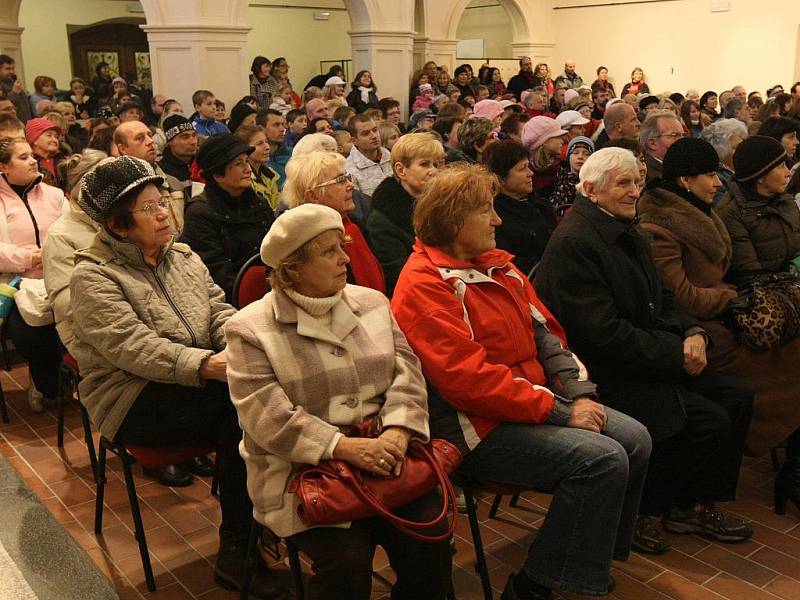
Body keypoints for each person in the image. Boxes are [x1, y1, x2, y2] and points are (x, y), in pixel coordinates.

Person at [390, 162, 650, 599]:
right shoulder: (425, 283)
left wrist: (578, 393)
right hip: (473, 426)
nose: (497, 220)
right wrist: (562, 411)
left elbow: (546, 335)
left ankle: (585, 556)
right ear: (455, 222)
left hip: (525, 403)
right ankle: (534, 586)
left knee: (636, 438)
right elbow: (467, 382)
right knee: (602, 459)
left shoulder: (498, 267)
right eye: (486, 212)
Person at [69, 156, 287, 598]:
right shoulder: (93, 275)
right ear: (117, 225)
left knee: (270, 391)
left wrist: (236, 345)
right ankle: (238, 551)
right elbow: (131, 347)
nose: (164, 212)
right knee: (242, 412)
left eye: (162, 202)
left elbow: (217, 307)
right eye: (148, 209)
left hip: (194, 375)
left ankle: (269, 519)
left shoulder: (180, 255)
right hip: (129, 395)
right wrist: (205, 365)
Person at [224, 203, 450, 600]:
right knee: (346, 561)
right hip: (302, 473)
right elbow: (268, 418)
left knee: (430, 533)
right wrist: (342, 447)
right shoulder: (250, 330)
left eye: (341, 246)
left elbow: (408, 373)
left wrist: (398, 430)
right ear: (292, 267)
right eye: (329, 251)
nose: (346, 258)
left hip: (386, 458)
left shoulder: (373, 303)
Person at [536, 147, 753, 555]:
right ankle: (641, 510)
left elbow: (665, 296)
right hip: (606, 372)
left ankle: (690, 504)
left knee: (738, 396)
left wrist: (691, 332)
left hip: (646, 353)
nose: (635, 191)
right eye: (623, 183)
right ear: (591, 190)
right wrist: (676, 354)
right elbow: (602, 335)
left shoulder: (626, 228)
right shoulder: (576, 243)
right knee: (708, 420)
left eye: (637, 181)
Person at [637, 137, 800, 517]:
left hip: (724, 319)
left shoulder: (703, 212)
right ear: (684, 181)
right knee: (789, 363)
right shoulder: (660, 227)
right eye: (709, 174)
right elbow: (681, 297)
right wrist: (729, 296)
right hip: (700, 332)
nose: (718, 182)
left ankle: (794, 469)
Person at [0, 136, 67, 411]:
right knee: (29, 333)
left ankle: (81, 379)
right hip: (15, 284)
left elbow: (71, 232)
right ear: (3, 166)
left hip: (60, 276)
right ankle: (45, 382)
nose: (33, 161)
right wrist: (29, 257)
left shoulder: (54, 195)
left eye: (32, 156)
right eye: (23, 157)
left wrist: (55, 254)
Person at [180, 133, 275, 303]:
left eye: (247, 161)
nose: (247, 169)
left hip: (271, 289)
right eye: (239, 164)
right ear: (218, 175)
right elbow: (217, 275)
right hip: (233, 301)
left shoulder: (258, 203)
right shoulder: (200, 214)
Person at [283, 151, 385, 294]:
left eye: (347, 177)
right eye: (340, 180)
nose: (351, 185)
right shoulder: (304, 241)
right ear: (313, 195)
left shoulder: (353, 224)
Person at [366, 132, 443, 296]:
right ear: (401, 170)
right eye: (424, 164)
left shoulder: (441, 203)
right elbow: (400, 276)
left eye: (436, 164)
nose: (434, 171)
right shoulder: (382, 220)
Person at [717, 135, 798, 285]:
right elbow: (749, 276)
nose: (788, 173)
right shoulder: (732, 214)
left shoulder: (785, 201)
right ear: (760, 175)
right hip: (764, 297)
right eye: (780, 166)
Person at [483, 139, 557, 276]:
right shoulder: (495, 217)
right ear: (501, 178)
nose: (530, 173)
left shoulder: (542, 206)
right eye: (522, 169)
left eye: (529, 166)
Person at [234, 123, 280, 211]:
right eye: (259, 144)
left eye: (266, 142)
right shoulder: (243, 178)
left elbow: (276, 205)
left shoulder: (270, 174)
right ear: (244, 148)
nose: (267, 147)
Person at [701, 118, 747, 204]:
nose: (743, 150)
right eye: (737, 147)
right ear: (721, 150)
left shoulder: (742, 168)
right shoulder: (715, 177)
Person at [344, 115, 392, 197]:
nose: (374, 136)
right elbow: (359, 204)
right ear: (354, 141)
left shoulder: (390, 155)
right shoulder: (349, 169)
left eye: (375, 130)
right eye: (365, 134)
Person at [549, 135, 594, 221]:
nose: (580, 157)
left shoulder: (593, 184)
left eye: (586, 154)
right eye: (575, 152)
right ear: (568, 156)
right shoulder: (556, 178)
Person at [522, 116, 567, 199]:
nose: (562, 141)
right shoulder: (524, 174)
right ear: (544, 141)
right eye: (557, 137)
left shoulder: (562, 168)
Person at [639, 111, 686, 183]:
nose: (682, 140)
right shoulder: (650, 176)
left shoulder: (681, 166)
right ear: (652, 143)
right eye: (674, 135)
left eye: (683, 135)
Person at [157, 113, 198, 197]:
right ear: (170, 141)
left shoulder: (204, 162)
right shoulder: (162, 172)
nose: (193, 142)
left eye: (194, 135)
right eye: (185, 137)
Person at [26, 117, 65, 189]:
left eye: (56, 136)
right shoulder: (26, 163)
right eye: (49, 135)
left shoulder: (63, 161)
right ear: (34, 140)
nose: (54, 140)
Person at [258, 109, 291, 190]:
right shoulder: (255, 158)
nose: (282, 129)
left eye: (283, 124)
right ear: (261, 129)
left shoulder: (293, 153)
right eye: (276, 125)